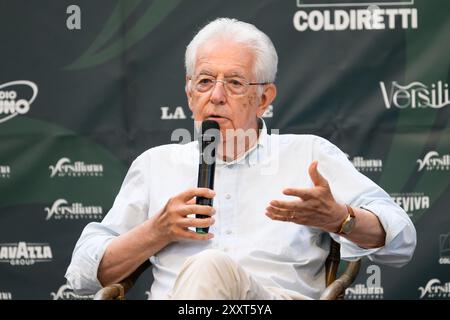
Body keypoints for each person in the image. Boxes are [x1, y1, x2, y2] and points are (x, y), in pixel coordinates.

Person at [65, 18, 416, 300]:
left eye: (234, 83)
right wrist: (154, 232)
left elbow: (402, 242)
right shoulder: (156, 165)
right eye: (204, 82)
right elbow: (81, 275)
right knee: (207, 270)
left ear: (265, 98)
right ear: (189, 93)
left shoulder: (308, 154)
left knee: (211, 266)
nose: (216, 96)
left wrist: (342, 219)